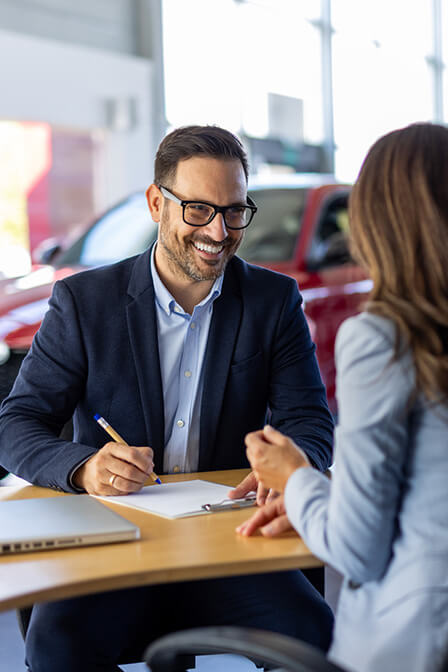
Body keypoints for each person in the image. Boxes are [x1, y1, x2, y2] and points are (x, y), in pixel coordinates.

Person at [0, 125, 334, 671]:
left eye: (233, 211)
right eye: (199, 210)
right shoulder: (85, 302)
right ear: (157, 203)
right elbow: (16, 423)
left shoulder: (273, 300)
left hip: (232, 538)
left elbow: (311, 423)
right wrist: (84, 467)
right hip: (116, 541)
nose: (220, 231)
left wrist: (289, 469)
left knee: (310, 631)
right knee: (57, 647)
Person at [239, 123, 448, 672]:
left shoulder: (382, 338)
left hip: (420, 643)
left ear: (381, 222)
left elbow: (356, 552)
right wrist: (319, 497)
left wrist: (293, 477)